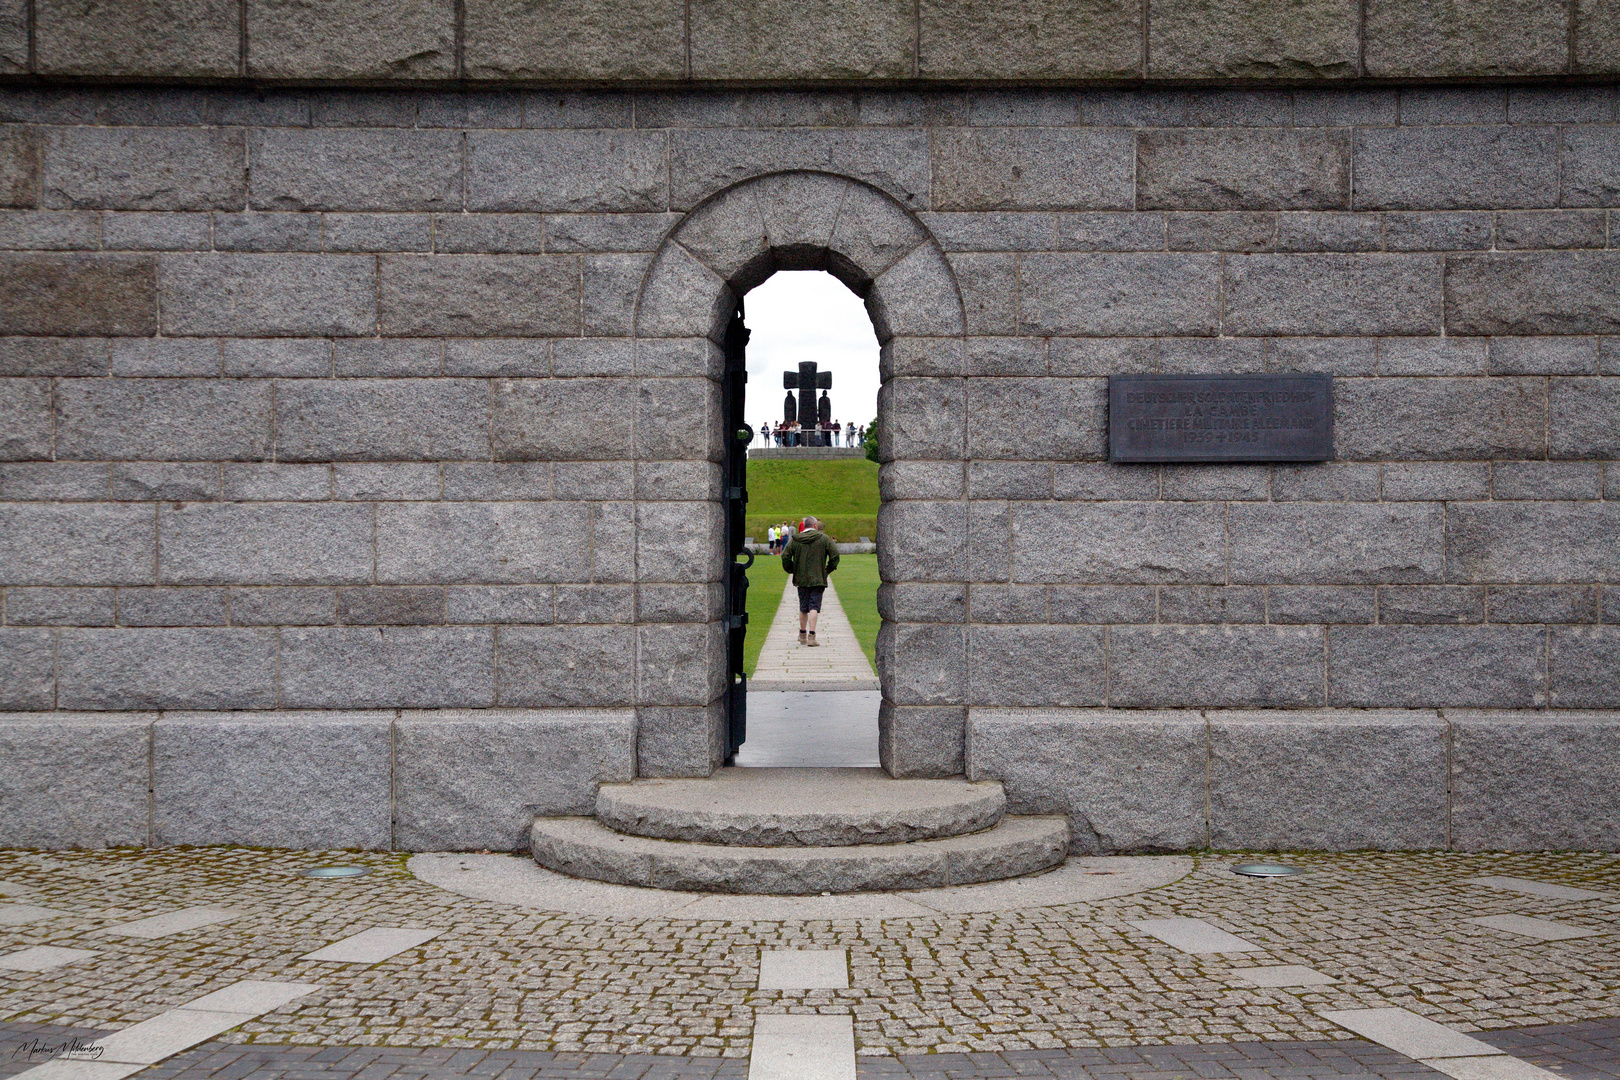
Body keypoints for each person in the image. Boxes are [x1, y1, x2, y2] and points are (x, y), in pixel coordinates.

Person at [781, 515, 839, 648]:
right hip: (818, 578)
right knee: (814, 606)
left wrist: (791, 569)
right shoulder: (823, 539)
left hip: (801, 578)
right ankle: (812, 636)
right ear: (815, 526)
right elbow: (835, 555)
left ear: (804, 526)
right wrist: (827, 570)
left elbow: (785, 555)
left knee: (803, 606)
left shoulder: (796, 539)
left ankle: (802, 635)